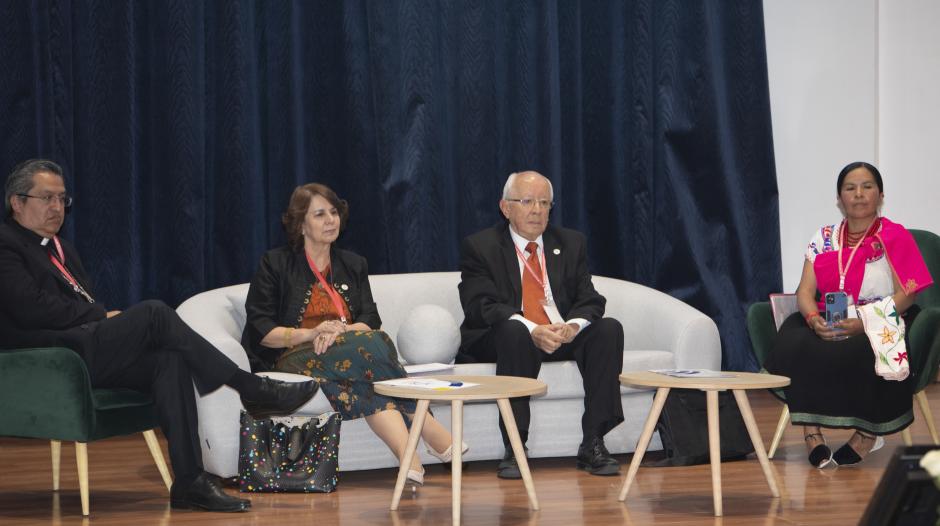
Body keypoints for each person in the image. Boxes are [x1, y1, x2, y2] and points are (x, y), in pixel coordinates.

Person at [0, 159, 319, 512]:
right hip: (46, 358)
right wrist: (99, 316)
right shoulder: (6, 244)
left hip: (83, 348)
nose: (57, 208)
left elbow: (75, 301)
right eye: (47, 198)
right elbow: (31, 308)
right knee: (154, 313)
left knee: (169, 360)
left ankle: (189, 482)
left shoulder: (60, 248)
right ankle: (250, 387)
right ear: (17, 202)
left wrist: (98, 320)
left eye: (62, 199)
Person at [241, 183, 464, 488]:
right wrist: (312, 333)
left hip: (347, 354)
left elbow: (369, 319)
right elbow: (262, 330)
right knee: (377, 342)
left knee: (368, 370)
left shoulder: (352, 264)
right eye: (320, 214)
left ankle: (407, 455)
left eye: (334, 212)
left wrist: (339, 331)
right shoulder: (275, 264)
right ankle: (430, 428)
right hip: (293, 357)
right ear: (300, 224)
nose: (331, 220)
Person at [765, 161, 934, 468]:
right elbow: (805, 291)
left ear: (880, 195)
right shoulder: (824, 237)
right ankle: (811, 433)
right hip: (831, 314)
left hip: (884, 314)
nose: (858, 194)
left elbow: (908, 293)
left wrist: (866, 322)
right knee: (795, 341)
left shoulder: (895, 236)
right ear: (839, 199)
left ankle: (866, 434)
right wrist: (813, 319)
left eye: (867, 186)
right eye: (850, 188)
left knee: (866, 346)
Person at [457, 170, 625, 479]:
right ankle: (515, 444)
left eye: (544, 202)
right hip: (506, 337)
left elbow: (590, 299)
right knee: (513, 330)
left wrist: (572, 326)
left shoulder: (571, 243)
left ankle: (593, 442)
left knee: (608, 328)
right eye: (527, 201)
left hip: (558, 334)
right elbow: (480, 305)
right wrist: (532, 329)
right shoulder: (481, 246)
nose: (536, 210)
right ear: (505, 207)